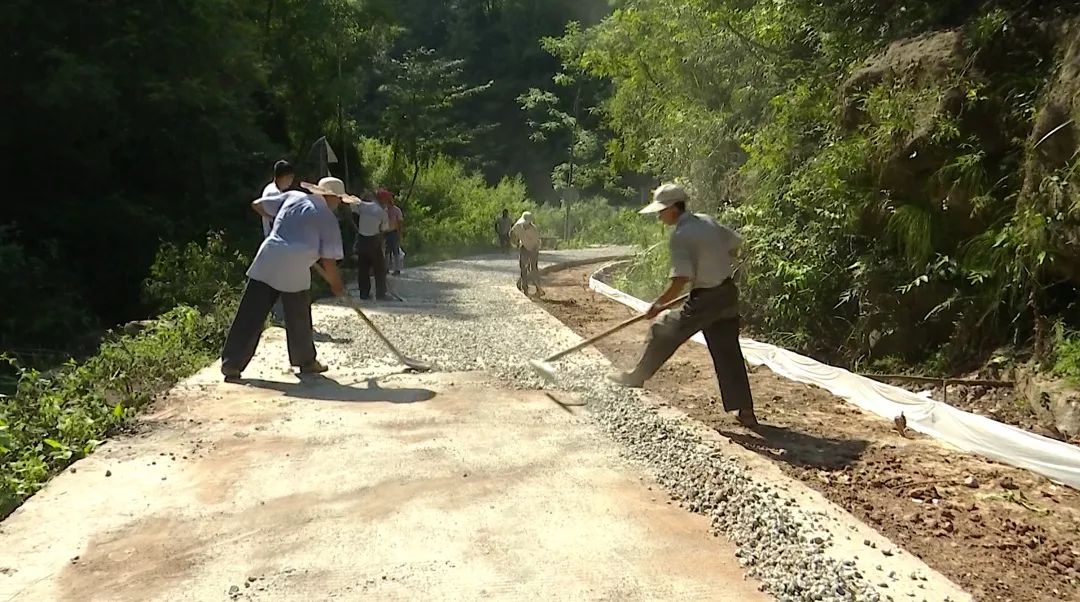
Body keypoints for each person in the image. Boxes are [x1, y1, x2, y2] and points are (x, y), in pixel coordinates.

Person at [608, 183, 758, 427]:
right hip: (727, 293)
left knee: (663, 328)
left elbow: (680, 279)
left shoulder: (681, 235)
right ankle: (746, 410)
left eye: (661, 211)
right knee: (728, 351)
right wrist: (719, 265)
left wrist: (659, 305)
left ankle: (637, 376)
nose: (658, 216)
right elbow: (736, 243)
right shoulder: (707, 221)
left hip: (706, 298)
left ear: (673, 209)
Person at [221, 177, 354, 381]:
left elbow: (258, 205)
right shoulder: (327, 218)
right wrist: (337, 285)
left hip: (269, 254)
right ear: (332, 198)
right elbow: (329, 261)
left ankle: (231, 363)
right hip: (295, 264)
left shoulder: (293, 196)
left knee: (250, 311)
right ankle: (306, 361)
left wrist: (280, 225)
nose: (338, 205)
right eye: (338, 201)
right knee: (298, 314)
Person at [255, 160, 295, 323]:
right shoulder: (274, 195)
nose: (291, 181)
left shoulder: (272, 190)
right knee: (280, 281)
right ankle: (279, 317)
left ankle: (278, 316)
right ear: (284, 177)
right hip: (277, 244)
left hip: (276, 244)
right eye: (290, 177)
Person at [352, 189, 390, 300]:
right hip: (374, 240)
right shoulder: (382, 212)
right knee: (379, 269)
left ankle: (364, 293)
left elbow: (352, 207)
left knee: (363, 268)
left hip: (361, 240)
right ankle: (381, 294)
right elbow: (384, 229)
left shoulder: (362, 206)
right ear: (382, 200)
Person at [509, 210, 542, 296]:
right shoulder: (518, 226)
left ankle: (538, 289)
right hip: (523, 247)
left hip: (533, 249)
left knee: (533, 269)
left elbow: (535, 245)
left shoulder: (534, 231)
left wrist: (531, 257)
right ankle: (525, 289)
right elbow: (511, 233)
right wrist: (514, 243)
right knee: (523, 268)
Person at [378, 188, 405, 276]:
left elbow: (400, 222)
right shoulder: (384, 211)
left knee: (395, 251)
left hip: (393, 232)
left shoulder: (397, 210)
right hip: (386, 232)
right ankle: (386, 269)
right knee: (387, 252)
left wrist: (400, 233)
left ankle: (397, 269)